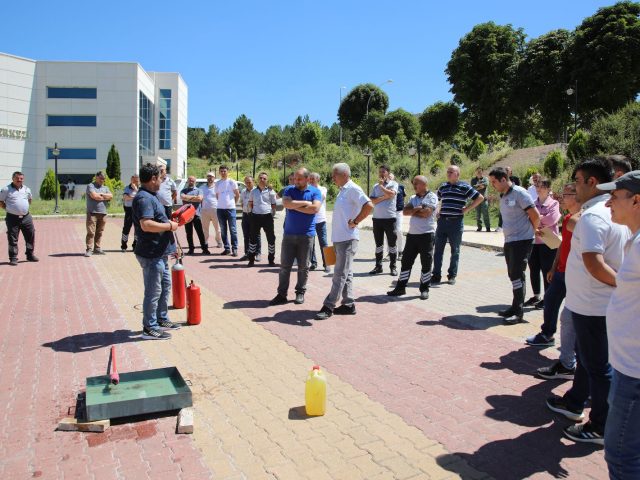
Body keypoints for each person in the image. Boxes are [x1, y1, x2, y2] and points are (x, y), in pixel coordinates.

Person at [546, 157, 630, 445]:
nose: (573, 189)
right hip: (596, 304)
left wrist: (624, 286)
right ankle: (575, 401)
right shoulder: (610, 214)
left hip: (592, 306)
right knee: (589, 360)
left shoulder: (593, 217)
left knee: (598, 367)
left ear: (592, 182)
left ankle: (601, 425)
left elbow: (594, 264)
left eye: (578, 182)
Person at [598, 170, 640, 477]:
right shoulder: (634, 239)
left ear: (636, 200)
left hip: (635, 373)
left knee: (621, 455)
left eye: (615, 196)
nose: (609, 202)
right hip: (626, 366)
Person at [532, 183, 581, 382]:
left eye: (566, 194)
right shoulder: (569, 219)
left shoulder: (582, 221)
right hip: (561, 271)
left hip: (576, 275)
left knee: (570, 317)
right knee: (551, 300)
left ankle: (571, 360)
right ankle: (547, 334)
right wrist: (554, 267)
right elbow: (562, 246)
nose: (562, 197)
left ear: (577, 196)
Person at [316, 164, 373, 319]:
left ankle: (328, 306)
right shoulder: (343, 190)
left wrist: (355, 221)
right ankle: (348, 304)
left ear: (344, 175)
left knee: (339, 274)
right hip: (339, 239)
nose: (332, 178)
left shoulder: (353, 189)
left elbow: (369, 205)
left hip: (348, 239)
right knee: (346, 274)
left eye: (335, 175)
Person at [132, 163, 181, 340]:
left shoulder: (151, 196)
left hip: (160, 252)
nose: (162, 180)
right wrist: (169, 225)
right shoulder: (144, 198)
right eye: (160, 177)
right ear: (153, 179)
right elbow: (146, 225)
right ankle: (149, 327)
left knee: (164, 287)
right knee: (153, 291)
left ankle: (161, 318)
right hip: (151, 253)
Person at [489, 167, 540, 324]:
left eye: (494, 182)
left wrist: (533, 231)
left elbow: (535, 215)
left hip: (522, 241)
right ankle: (513, 307)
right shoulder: (504, 195)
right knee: (512, 274)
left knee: (517, 274)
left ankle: (518, 312)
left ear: (504, 179)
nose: (492, 185)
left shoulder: (520, 193)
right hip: (510, 240)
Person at [269, 168, 321, 306]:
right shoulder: (289, 190)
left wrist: (294, 206)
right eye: (295, 178)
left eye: (299, 179)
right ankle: (281, 294)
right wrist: (306, 204)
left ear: (307, 179)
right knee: (284, 266)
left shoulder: (315, 191)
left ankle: (300, 292)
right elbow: (286, 204)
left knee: (303, 267)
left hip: (307, 235)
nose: (296, 181)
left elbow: (315, 209)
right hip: (289, 235)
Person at [387, 175, 438, 300]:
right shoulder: (413, 198)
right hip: (412, 235)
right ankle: (400, 288)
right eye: (413, 183)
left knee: (426, 263)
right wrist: (417, 209)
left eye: (417, 183)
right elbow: (405, 212)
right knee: (406, 262)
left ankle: (424, 289)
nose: (414, 186)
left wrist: (414, 211)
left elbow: (427, 213)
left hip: (427, 235)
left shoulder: (432, 197)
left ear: (424, 185)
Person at [432, 165, 484, 285]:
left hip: (456, 222)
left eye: (451, 172)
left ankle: (452, 275)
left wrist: (467, 209)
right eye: (448, 171)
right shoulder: (443, 186)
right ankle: (436, 275)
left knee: (455, 250)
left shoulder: (464, 187)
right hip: (442, 222)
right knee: (438, 250)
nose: (448, 173)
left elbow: (480, 198)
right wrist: (437, 210)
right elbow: (436, 199)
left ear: (457, 174)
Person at [525, 178, 561, 309]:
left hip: (548, 242)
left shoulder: (554, 204)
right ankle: (536, 296)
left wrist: (537, 220)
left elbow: (552, 219)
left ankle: (548, 297)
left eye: (542, 187)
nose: (539, 189)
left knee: (547, 271)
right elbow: (527, 218)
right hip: (534, 241)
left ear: (548, 189)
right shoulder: (533, 203)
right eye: (537, 187)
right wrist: (537, 221)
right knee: (533, 269)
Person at [0, 171, 38, 266]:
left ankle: (30, 255)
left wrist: (23, 208)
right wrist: (8, 208)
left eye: (21, 178)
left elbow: (29, 200)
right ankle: (13, 258)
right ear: (13, 178)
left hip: (26, 217)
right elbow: (0, 201)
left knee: (30, 235)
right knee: (12, 238)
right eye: (17, 178)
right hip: (12, 218)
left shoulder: (26, 189)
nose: (19, 180)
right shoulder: (6, 189)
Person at [369, 165, 399, 276]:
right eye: (380, 172)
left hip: (390, 219)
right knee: (379, 245)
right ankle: (378, 266)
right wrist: (384, 197)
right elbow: (372, 200)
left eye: (383, 172)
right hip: (377, 219)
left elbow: (392, 194)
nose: (381, 174)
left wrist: (382, 188)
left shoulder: (394, 184)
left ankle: (393, 267)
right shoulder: (375, 186)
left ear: (388, 173)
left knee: (392, 244)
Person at [248, 172, 276, 267]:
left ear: (267, 180)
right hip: (255, 217)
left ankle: (271, 260)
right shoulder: (253, 191)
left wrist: (271, 214)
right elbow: (250, 203)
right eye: (260, 178)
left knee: (271, 239)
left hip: (267, 217)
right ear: (257, 179)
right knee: (253, 239)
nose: (262, 180)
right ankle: (251, 260)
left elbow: (273, 205)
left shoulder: (271, 192)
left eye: (264, 178)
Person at [85, 171, 113, 257]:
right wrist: (104, 197)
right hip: (92, 213)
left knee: (100, 232)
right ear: (96, 177)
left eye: (103, 179)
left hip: (103, 213)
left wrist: (100, 195)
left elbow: (111, 196)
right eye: (101, 178)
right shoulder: (90, 186)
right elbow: (94, 196)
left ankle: (97, 248)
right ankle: (89, 250)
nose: (102, 180)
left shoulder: (105, 187)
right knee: (91, 232)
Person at [180, 175, 209, 255]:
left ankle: (204, 249)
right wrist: (194, 198)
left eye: (192, 180)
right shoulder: (183, 190)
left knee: (200, 232)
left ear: (195, 181)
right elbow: (182, 197)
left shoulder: (199, 190)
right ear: (187, 181)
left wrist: (188, 198)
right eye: (189, 180)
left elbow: (200, 199)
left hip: (196, 214)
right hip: (186, 215)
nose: (191, 182)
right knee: (189, 233)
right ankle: (191, 249)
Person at [216, 165, 240, 256]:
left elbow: (237, 195)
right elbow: (217, 196)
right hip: (220, 209)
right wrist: (221, 203)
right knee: (223, 230)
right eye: (221, 171)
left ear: (227, 172)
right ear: (219, 172)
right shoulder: (217, 183)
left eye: (224, 171)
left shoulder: (232, 182)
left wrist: (233, 204)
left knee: (233, 229)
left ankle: (235, 248)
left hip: (231, 209)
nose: (223, 173)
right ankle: (227, 248)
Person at [309, 172, 330, 273]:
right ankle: (313, 263)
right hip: (310, 220)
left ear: (318, 179)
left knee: (324, 242)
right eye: (310, 178)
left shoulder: (323, 189)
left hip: (321, 220)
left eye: (313, 178)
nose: (311, 180)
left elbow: (319, 199)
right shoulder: (307, 189)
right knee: (310, 243)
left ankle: (328, 264)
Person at [199, 171, 223, 249]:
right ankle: (205, 242)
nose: (210, 178)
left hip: (215, 210)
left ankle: (219, 241)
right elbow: (199, 198)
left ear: (214, 178)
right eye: (208, 176)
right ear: (207, 178)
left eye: (211, 177)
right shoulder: (202, 187)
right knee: (205, 228)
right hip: (204, 210)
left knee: (218, 228)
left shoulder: (217, 187)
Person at [239, 176, 260, 261]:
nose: (248, 184)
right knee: (246, 235)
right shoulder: (243, 191)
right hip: (245, 215)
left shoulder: (257, 191)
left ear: (253, 182)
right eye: (246, 182)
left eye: (249, 182)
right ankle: (247, 253)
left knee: (256, 235)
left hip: (254, 215)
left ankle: (258, 253)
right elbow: (241, 202)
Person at [496, 166, 521, 232]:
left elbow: (518, 188)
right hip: (504, 197)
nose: (506, 171)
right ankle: (500, 226)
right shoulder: (501, 179)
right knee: (502, 211)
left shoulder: (515, 179)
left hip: (514, 198)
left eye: (507, 170)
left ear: (511, 172)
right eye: (505, 170)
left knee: (514, 212)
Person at [121, 175, 139, 251]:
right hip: (128, 210)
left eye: (136, 181)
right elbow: (125, 198)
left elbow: (142, 196)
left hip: (137, 210)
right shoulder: (127, 188)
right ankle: (124, 245)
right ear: (131, 180)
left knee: (137, 229)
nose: (134, 182)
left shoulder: (140, 189)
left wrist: (136, 190)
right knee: (126, 228)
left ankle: (135, 245)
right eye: (133, 180)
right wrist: (135, 197)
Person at [470, 167, 491, 232]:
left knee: (485, 214)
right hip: (476, 199)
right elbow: (473, 187)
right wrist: (480, 186)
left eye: (480, 171)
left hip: (484, 199)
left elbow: (485, 185)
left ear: (482, 172)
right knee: (478, 214)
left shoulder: (485, 179)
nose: (479, 173)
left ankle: (488, 227)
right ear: (476, 172)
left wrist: (477, 186)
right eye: (478, 171)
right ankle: (479, 227)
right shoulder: (473, 180)